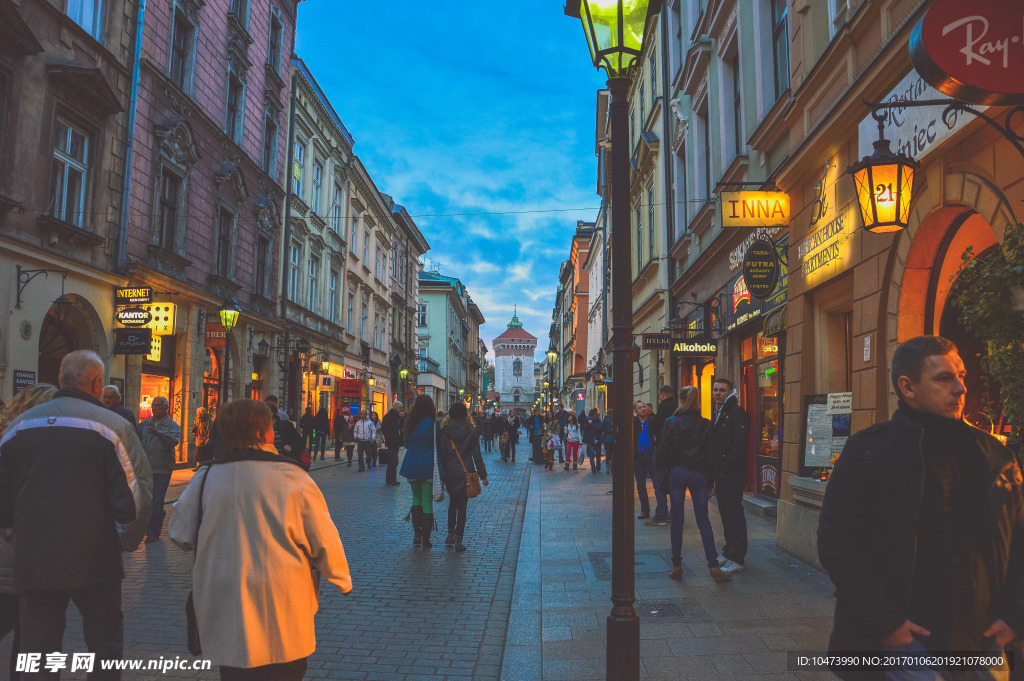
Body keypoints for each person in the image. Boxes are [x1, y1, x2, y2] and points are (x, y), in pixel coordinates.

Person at [818, 336, 1022, 681]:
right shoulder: (869, 452)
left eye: (961, 376)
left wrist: (1014, 612)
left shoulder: (993, 456)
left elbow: (1017, 538)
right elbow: (837, 543)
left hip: (981, 639)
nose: (960, 388)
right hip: (905, 640)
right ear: (907, 388)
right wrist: (884, 620)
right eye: (944, 378)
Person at [168, 399, 352, 680]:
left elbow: (180, 534)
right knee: (284, 669)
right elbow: (324, 538)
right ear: (259, 433)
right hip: (282, 601)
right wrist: (341, 579)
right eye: (269, 428)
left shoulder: (205, 477)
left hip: (226, 599)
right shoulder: (291, 477)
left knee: (235, 670)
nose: (273, 434)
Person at [0, 350, 153, 678]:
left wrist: (10, 528)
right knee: (104, 647)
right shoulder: (112, 427)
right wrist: (127, 539)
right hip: (95, 557)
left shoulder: (20, 426)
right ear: (98, 383)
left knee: (37, 650)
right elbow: (136, 498)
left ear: (60, 379)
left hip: (37, 557)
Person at [0, 383, 59, 680]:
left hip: (15, 549)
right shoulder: (34, 441)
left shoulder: (9, 434)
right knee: (28, 636)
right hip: (23, 549)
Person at [657, 386, 730, 583]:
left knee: (677, 520)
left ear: (680, 400)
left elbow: (663, 451)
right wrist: (712, 479)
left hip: (677, 472)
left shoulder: (671, 422)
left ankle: (676, 566)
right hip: (699, 474)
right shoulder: (706, 424)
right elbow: (711, 454)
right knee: (703, 520)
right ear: (698, 401)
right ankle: (714, 567)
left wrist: (664, 470)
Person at [709, 378, 750, 576]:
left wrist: (725, 467)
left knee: (733, 514)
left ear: (730, 392)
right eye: (715, 390)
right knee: (726, 514)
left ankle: (737, 557)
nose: (717, 393)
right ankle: (729, 550)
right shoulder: (722, 412)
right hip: (723, 473)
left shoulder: (736, 413)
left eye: (722, 390)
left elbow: (738, 445)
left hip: (732, 473)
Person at [436, 403, 489, 552]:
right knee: (462, 506)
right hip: (466, 472)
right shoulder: (471, 430)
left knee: (452, 503)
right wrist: (483, 475)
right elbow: (476, 455)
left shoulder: (444, 431)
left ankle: (450, 534)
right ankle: (459, 540)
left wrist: (441, 473)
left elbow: (441, 453)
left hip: (450, 471)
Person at [137, 395, 182, 543]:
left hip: (163, 469)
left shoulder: (173, 426)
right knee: (148, 501)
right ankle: (158, 515)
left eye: (157, 406)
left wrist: (160, 434)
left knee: (157, 500)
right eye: (153, 406)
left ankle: (153, 533)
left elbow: (174, 441)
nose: (154, 409)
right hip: (146, 469)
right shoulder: (145, 424)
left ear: (165, 408)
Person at [399, 395, 439, 548]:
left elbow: (406, 443)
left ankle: (416, 535)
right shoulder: (434, 424)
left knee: (416, 498)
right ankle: (426, 539)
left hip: (412, 464)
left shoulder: (410, 422)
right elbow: (438, 444)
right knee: (427, 501)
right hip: (428, 465)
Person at [634, 401, 667, 524]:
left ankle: (663, 511)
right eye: (640, 408)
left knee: (658, 483)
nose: (643, 409)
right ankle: (645, 510)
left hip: (652, 456)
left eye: (643, 407)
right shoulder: (633, 423)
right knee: (641, 485)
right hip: (638, 457)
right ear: (635, 411)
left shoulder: (653, 421)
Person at [381, 402, 405, 487]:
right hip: (392, 442)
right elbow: (384, 428)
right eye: (400, 408)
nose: (401, 410)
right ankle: (391, 479)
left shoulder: (397, 416)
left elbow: (401, 427)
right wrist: (389, 437)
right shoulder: (389, 417)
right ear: (396, 408)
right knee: (393, 461)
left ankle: (391, 479)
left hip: (396, 441)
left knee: (393, 461)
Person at [583, 408, 603, 473]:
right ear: (595, 414)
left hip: (590, 440)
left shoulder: (587, 421)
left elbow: (585, 431)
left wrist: (585, 439)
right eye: (597, 413)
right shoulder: (598, 421)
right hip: (597, 439)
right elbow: (599, 428)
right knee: (597, 455)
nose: (598, 414)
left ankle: (593, 468)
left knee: (592, 455)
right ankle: (597, 467)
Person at [600, 409, 615, 474]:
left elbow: (599, 427)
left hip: (606, 439)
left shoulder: (605, 420)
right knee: (612, 454)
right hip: (613, 438)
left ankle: (607, 468)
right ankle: (612, 467)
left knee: (607, 453)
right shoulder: (614, 420)